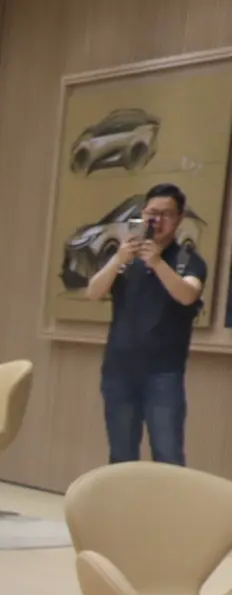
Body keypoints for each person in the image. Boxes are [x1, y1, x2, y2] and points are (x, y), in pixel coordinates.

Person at [86, 182, 207, 465]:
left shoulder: (188, 260)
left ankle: (168, 499)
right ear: (143, 214)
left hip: (163, 374)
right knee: (121, 454)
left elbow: (187, 295)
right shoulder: (125, 258)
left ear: (179, 218)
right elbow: (93, 292)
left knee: (168, 454)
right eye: (152, 213)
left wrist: (157, 263)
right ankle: (124, 497)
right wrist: (119, 258)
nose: (157, 220)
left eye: (166, 214)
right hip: (119, 371)